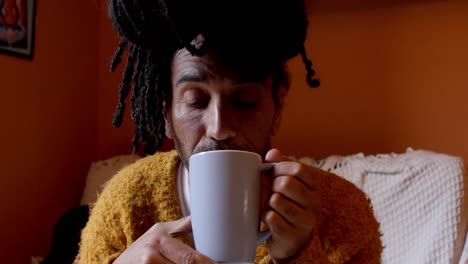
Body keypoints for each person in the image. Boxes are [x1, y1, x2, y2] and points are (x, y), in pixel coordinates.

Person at [75, 0, 383, 263]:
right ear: (166, 111)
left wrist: (298, 253)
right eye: (196, 101)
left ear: (278, 104)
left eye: (244, 102)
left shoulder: (342, 212)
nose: (219, 127)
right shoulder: (126, 204)